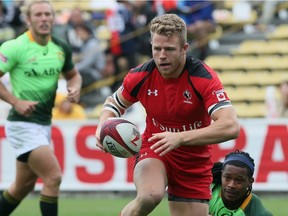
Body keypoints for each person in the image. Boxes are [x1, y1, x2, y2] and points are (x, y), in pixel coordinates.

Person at [95, 13, 240, 216]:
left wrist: (179, 138)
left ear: (184, 49)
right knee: (149, 196)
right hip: (155, 149)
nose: (162, 55)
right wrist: (103, 124)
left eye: (169, 49)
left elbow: (231, 126)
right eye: (157, 49)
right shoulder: (140, 75)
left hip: (193, 161)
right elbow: (113, 104)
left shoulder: (203, 78)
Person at [0, 1, 82, 216]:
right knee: (53, 177)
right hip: (22, 123)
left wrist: (75, 88)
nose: (44, 18)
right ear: (28, 19)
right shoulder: (15, 47)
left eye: (48, 14)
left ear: (53, 18)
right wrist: (15, 101)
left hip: (43, 123)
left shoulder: (60, 47)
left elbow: (73, 75)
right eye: (38, 15)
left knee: (22, 186)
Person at [209, 149, 273, 216]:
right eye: (227, 178)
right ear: (221, 175)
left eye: (239, 180)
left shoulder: (257, 211)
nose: (231, 185)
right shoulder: (207, 190)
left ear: (250, 181)